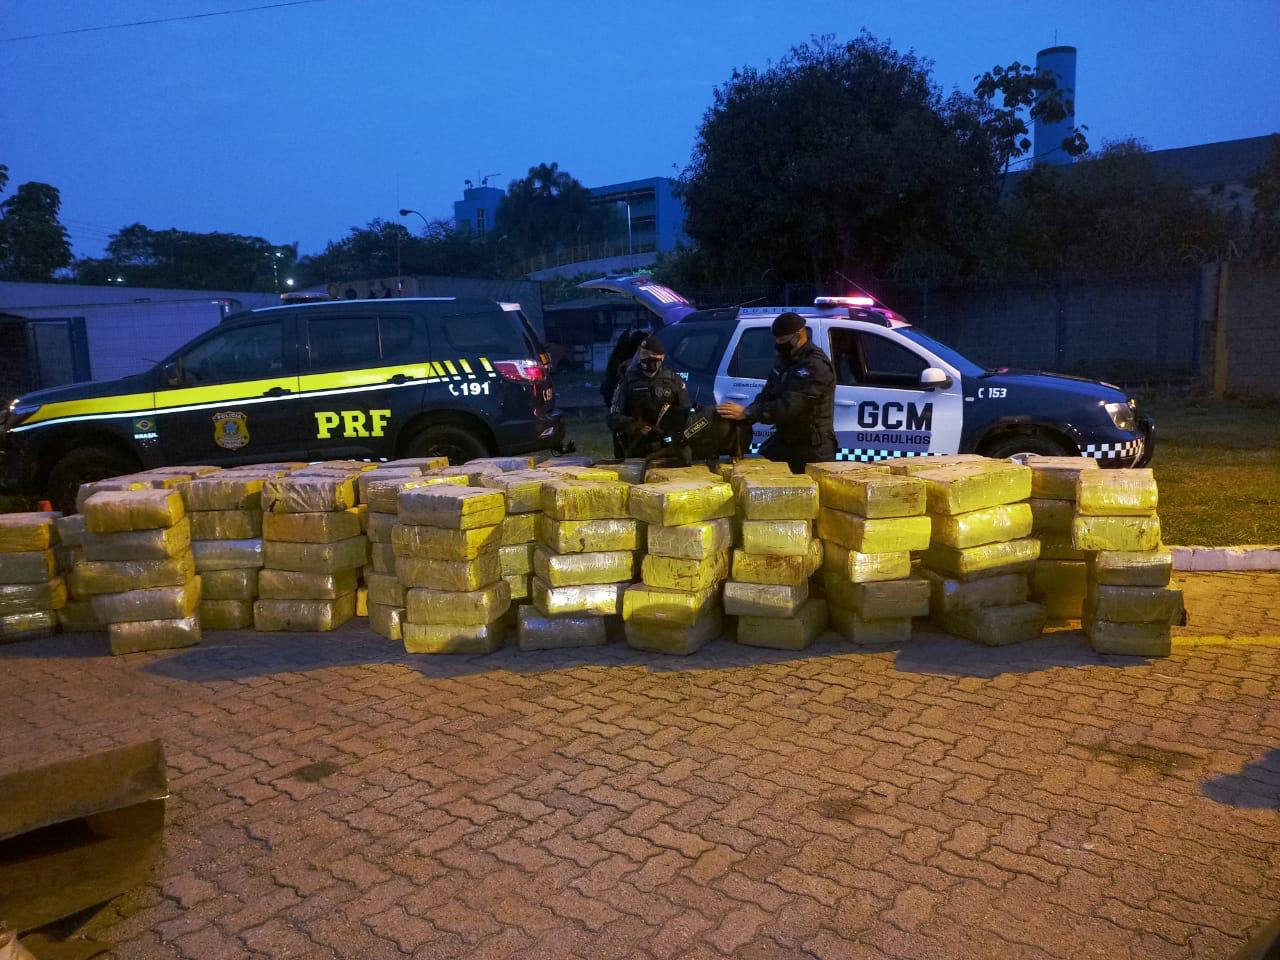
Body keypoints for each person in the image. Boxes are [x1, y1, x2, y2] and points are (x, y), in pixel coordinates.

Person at [716, 311, 836, 471]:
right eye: (777, 340)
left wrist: (749, 413)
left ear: (798, 335)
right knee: (758, 468)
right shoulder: (785, 360)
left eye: (783, 340)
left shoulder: (814, 366)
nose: (778, 344)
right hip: (786, 441)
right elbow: (768, 393)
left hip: (813, 448)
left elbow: (789, 406)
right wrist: (744, 418)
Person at [607, 336, 690, 459]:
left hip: (666, 446)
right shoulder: (627, 381)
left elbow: (687, 414)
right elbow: (613, 418)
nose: (648, 358)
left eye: (653, 354)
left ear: (662, 357)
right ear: (639, 355)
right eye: (644, 354)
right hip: (636, 446)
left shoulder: (674, 381)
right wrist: (635, 425)